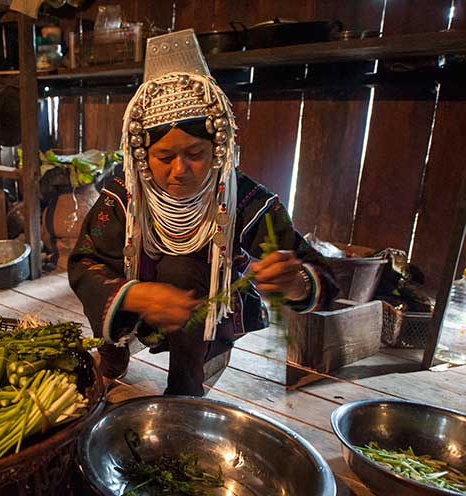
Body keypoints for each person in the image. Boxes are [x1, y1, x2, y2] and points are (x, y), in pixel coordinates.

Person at [68, 30, 338, 396]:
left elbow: (320, 274)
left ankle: (185, 389)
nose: (181, 170)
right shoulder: (123, 198)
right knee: (111, 271)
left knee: (184, 270)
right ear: (142, 156)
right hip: (139, 303)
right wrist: (135, 296)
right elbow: (85, 262)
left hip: (202, 317)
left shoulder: (246, 200)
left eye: (195, 154)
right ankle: (115, 348)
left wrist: (296, 282)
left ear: (219, 148)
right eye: (164, 157)